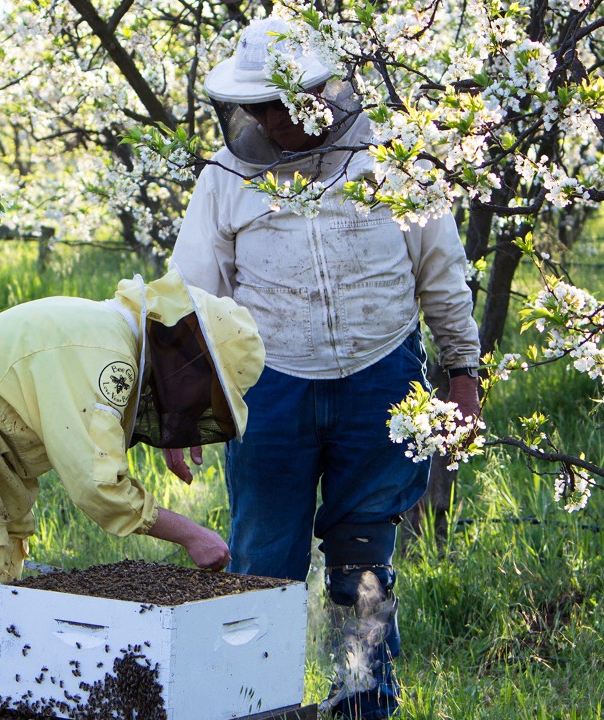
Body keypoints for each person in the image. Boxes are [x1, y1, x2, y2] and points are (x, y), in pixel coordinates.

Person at [167, 18, 481, 720]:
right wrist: (180, 404)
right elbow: (192, 295)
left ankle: (363, 706)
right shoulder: (224, 179)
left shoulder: (394, 156)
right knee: (261, 567)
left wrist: (461, 371)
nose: (275, 120)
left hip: (381, 380)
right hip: (269, 388)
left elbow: (441, 271)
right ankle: (253, 707)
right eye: (262, 106)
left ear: (325, 90)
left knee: (364, 565)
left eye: (289, 101)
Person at [0, 269, 264, 720]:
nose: (197, 402)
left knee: (0, 605)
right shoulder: (106, 356)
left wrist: (176, 428)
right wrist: (191, 534)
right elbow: (99, 485)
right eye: (203, 389)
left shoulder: (110, 337)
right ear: (188, 357)